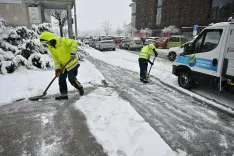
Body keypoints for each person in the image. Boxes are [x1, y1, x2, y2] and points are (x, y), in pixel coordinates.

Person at [40, 31, 84, 100]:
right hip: (63, 66)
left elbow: (74, 43)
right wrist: (57, 69)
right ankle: (64, 94)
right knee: (61, 79)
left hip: (72, 63)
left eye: (46, 42)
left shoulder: (62, 40)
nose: (46, 44)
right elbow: (56, 59)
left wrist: (73, 53)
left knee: (71, 78)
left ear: (50, 39)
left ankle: (80, 87)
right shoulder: (50, 47)